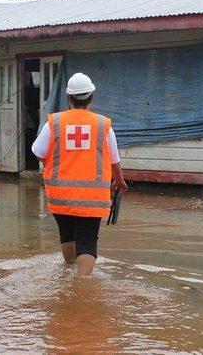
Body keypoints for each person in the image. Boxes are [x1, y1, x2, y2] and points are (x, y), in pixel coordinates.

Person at [31, 72, 128, 276]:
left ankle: (68, 274)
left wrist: (57, 158)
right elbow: (114, 160)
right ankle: (81, 287)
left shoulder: (54, 123)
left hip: (60, 197)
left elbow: (38, 152)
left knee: (67, 236)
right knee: (87, 242)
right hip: (91, 199)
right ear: (91, 98)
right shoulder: (103, 125)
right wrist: (119, 181)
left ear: (69, 98)